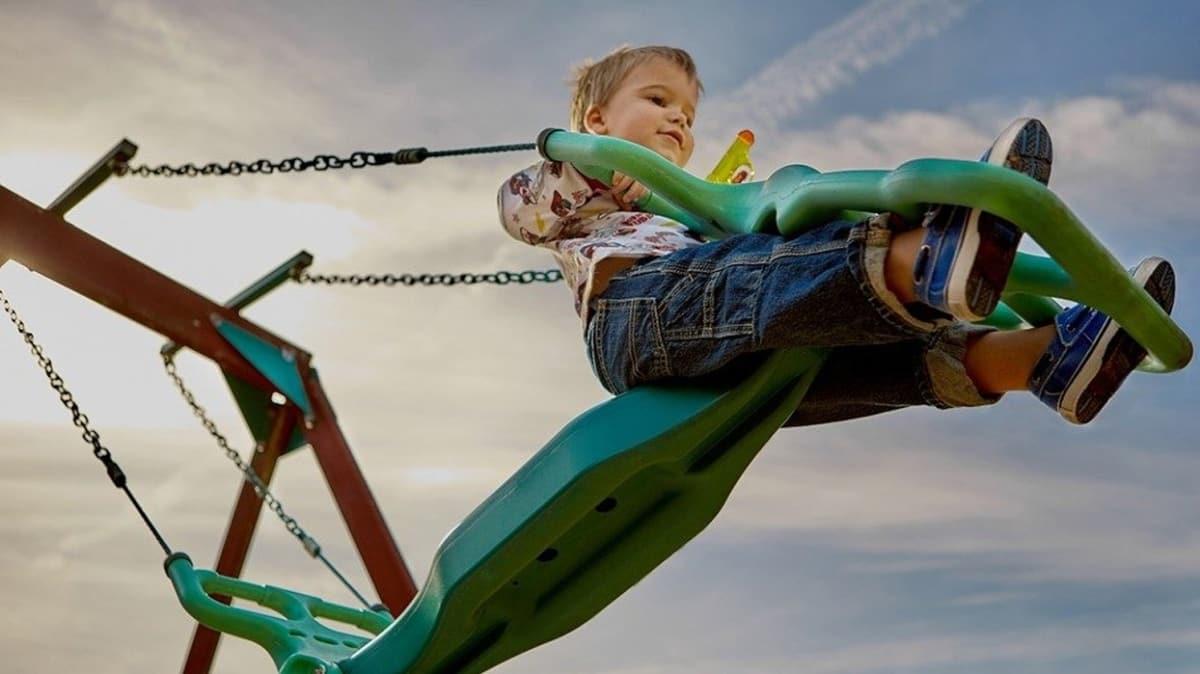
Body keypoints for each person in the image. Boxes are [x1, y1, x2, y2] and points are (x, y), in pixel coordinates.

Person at [498, 45, 1175, 426]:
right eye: (657, 102)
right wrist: (585, 163)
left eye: (686, 113)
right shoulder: (574, 187)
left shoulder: (688, 206)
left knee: (843, 361)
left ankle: (1041, 358)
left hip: (721, 366)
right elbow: (520, 211)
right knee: (765, 269)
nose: (677, 120)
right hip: (636, 325)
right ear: (593, 120)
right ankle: (922, 259)